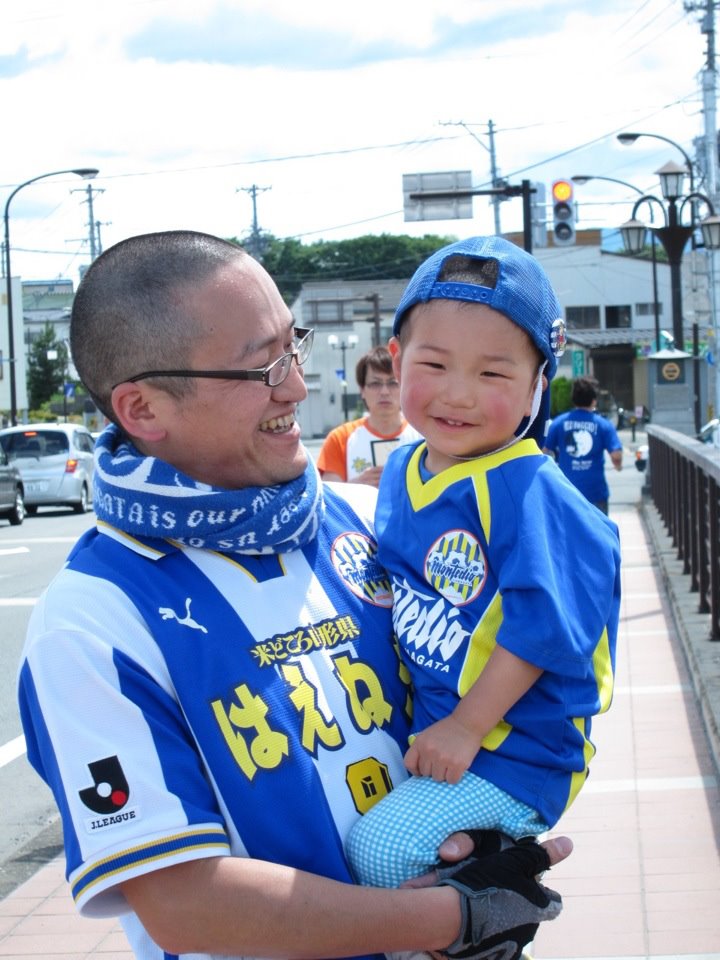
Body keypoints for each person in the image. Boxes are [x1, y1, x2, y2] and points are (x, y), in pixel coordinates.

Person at [17, 231, 569, 960]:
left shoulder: (374, 520)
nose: (298, 387)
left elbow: (524, 675)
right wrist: (452, 917)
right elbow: (183, 903)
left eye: (294, 347)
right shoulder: (89, 623)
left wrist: (487, 846)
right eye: (263, 367)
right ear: (144, 409)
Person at [346, 236, 621, 891]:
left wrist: (468, 727)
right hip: (441, 737)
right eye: (434, 365)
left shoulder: (530, 490)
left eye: (493, 374)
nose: (459, 396)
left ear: (537, 386)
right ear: (396, 359)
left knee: (379, 852)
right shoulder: (402, 471)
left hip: (514, 753)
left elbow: (545, 629)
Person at [318, 345, 421, 487]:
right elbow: (329, 500)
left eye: (393, 383)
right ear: (362, 390)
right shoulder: (340, 438)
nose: (384, 391)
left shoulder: (424, 434)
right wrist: (357, 486)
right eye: (375, 384)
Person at [543, 376, 623, 514]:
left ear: (573, 399)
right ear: (594, 400)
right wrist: (618, 465)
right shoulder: (603, 424)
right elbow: (616, 454)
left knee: (570, 534)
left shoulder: (559, 423)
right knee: (599, 533)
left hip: (567, 492)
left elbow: (543, 451)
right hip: (595, 492)